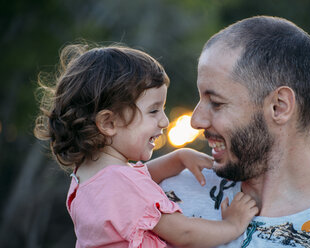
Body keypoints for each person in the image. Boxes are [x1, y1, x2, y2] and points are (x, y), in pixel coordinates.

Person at [161, 15, 310, 247]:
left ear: (279, 106)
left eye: (217, 103)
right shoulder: (161, 196)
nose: (196, 121)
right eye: (200, 98)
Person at [33, 43, 259, 248]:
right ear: (109, 123)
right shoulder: (120, 183)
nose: (163, 121)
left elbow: (139, 179)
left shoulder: (87, 180)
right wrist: (233, 225)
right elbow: (185, 233)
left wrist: (177, 158)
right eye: (153, 110)